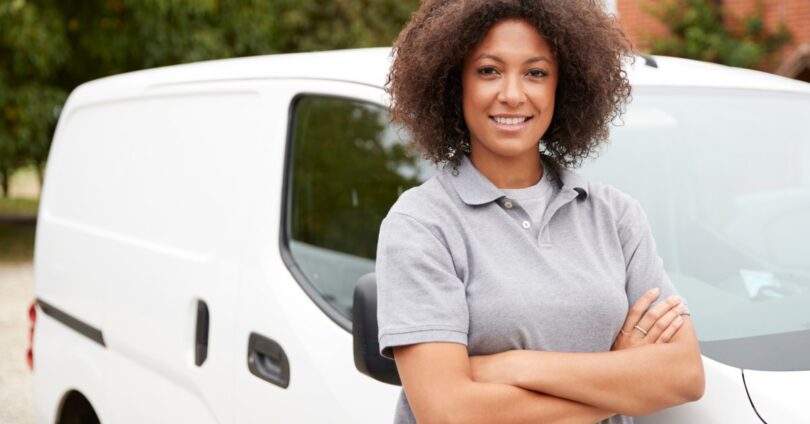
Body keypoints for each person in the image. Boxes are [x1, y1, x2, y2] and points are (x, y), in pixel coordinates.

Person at [375, 1, 705, 423]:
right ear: (454, 83)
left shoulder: (615, 215)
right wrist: (621, 378)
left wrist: (516, 365)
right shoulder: (422, 224)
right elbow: (449, 414)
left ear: (562, 87)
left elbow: (684, 376)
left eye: (536, 72)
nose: (512, 94)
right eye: (488, 70)